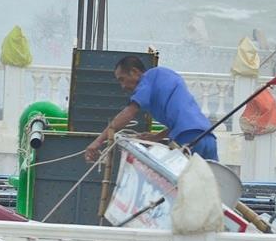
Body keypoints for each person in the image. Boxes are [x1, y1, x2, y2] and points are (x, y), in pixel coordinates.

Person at [84, 56, 219, 163]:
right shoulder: (166, 75)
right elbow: (182, 121)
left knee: (181, 185)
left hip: (188, 139)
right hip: (208, 137)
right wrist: (156, 137)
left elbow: (129, 113)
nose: (123, 86)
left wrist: (98, 141)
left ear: (135, 72)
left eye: (122, 79)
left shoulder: (148, 79)